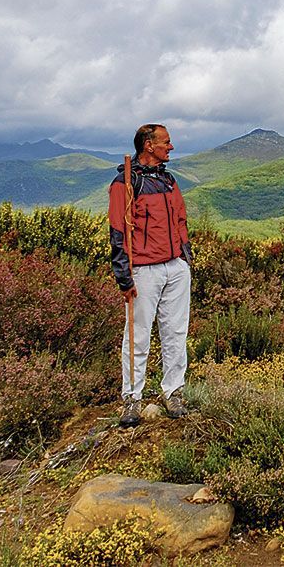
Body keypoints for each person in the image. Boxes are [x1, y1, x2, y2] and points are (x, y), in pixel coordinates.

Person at [108, 124, 193, 426]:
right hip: (143, 270)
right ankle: (132, 399)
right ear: (148, 145)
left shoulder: (169, 181)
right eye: (166, 143)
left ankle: (174, 393)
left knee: (176, 333)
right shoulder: (125, 184)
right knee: (138, 335)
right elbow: (117, 230)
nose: (171, 147)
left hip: (175, 267)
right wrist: (124, 277)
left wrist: (184, 256)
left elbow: (181, 218)